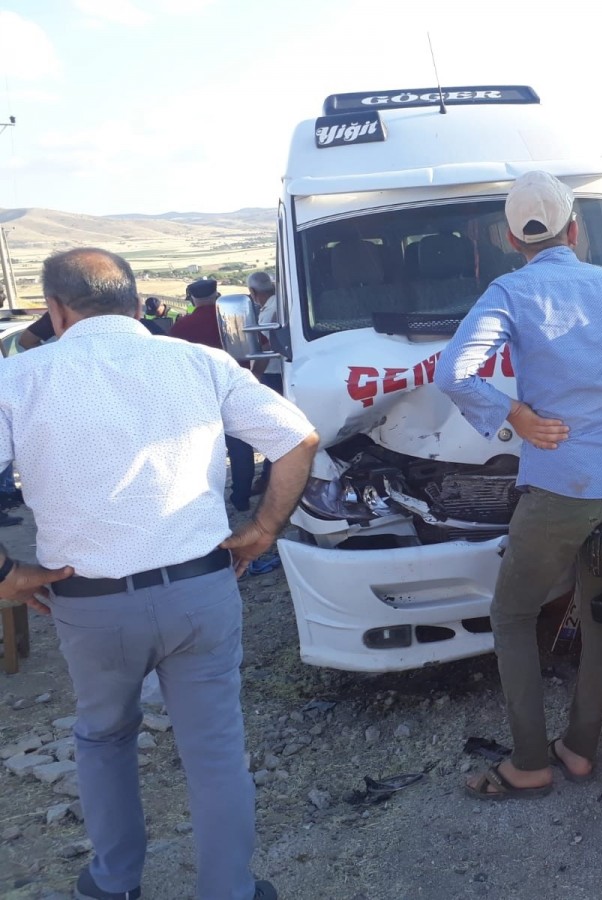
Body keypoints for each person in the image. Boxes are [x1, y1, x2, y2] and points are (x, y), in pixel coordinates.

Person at [0, 247, 318, 900]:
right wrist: (262, 529)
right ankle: (229, 890)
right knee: (216, 753)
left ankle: (114, 883)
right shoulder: (198, 361)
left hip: (90, 604)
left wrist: (7, 573)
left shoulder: (20, 378)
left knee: (104, 738)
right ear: (138, 302)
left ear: (55, 309)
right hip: (202, 589)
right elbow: (297, 438)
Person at [435, 171, 602, 800]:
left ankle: (530, 762)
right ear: (577, 228)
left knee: (511, 615)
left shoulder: (511, 290)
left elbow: (457, 373)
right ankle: (580, 750)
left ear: (511, 237)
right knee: (599, 616)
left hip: (561, 487)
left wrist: (514, 414)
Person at [170, 278, 256, 511]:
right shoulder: (235, 320)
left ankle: (210, 501)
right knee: (241, 448)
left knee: (205, 450)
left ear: (193, 299)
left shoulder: (182, 326)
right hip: (236, 389)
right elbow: (261, 349)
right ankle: (241, 497)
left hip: (201, 394)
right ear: (216, 295)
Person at [247, 271, 281, 495]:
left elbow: (269, 348)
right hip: (282, 373)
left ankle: (270, 478)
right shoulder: (279, 302)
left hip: (275, 375)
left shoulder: (270, 310)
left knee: (274, 429)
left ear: (253, 292)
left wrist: (254, 376)